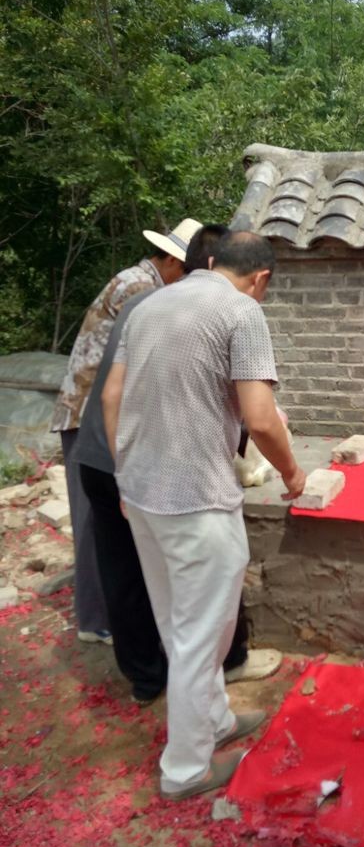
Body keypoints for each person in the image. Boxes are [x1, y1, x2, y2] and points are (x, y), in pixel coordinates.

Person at [102, 230, 306, 801]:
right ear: (261, 277)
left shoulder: (148, 304)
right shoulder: (242, 313)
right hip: (196, 498)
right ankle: (185, 769)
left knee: (178, 625)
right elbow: (261, 418)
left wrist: (124, 473)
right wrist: (291, 472)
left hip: (141, 491)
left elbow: (112, 397)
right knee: (201, 635)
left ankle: (213, 719)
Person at [74, 224, 281, 705]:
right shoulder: (222, 310)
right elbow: (248, 412)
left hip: (107, 461)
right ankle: (216, 683)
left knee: (128, 576)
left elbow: (111, 393)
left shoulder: (144, 305)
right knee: (205, 596)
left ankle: (148, 679)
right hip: (154, 467)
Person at [51, 218, 202, 645]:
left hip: (97, 411)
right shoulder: (142, 290)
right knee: (95, 522)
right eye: (187, 272)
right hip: (88, 416)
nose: (187, 281)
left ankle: (108, 612)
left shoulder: (141, 281)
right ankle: (96, 620)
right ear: (172, 261)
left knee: (104, 522)